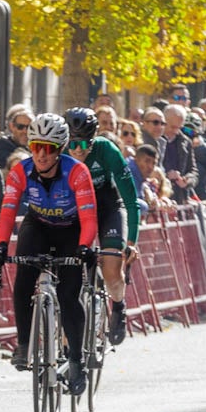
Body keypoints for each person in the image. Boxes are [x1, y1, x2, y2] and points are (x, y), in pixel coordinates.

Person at [0, 113, 99, 396]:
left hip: (72, 230)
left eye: (48, 148)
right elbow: (7, 212)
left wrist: (85, 247)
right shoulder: (20, 171)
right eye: (36, 146)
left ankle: (77, 361)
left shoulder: (77, 172)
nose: (41, 154)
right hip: (38, 225)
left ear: (60, 149)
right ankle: (24, 344)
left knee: (68, 295)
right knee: (24, 280)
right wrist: (1, 245)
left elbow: (89, 218)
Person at [62, 107, 141, 345]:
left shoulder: (106, 150)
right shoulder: (58, 151)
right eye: (72, 144)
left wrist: (131, 242)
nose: (78, 150)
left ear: (93, 139)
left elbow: (130, 199)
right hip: (75, 208)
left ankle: (118, 305)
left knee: (111, 269)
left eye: (84, 144)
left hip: (107, 207)